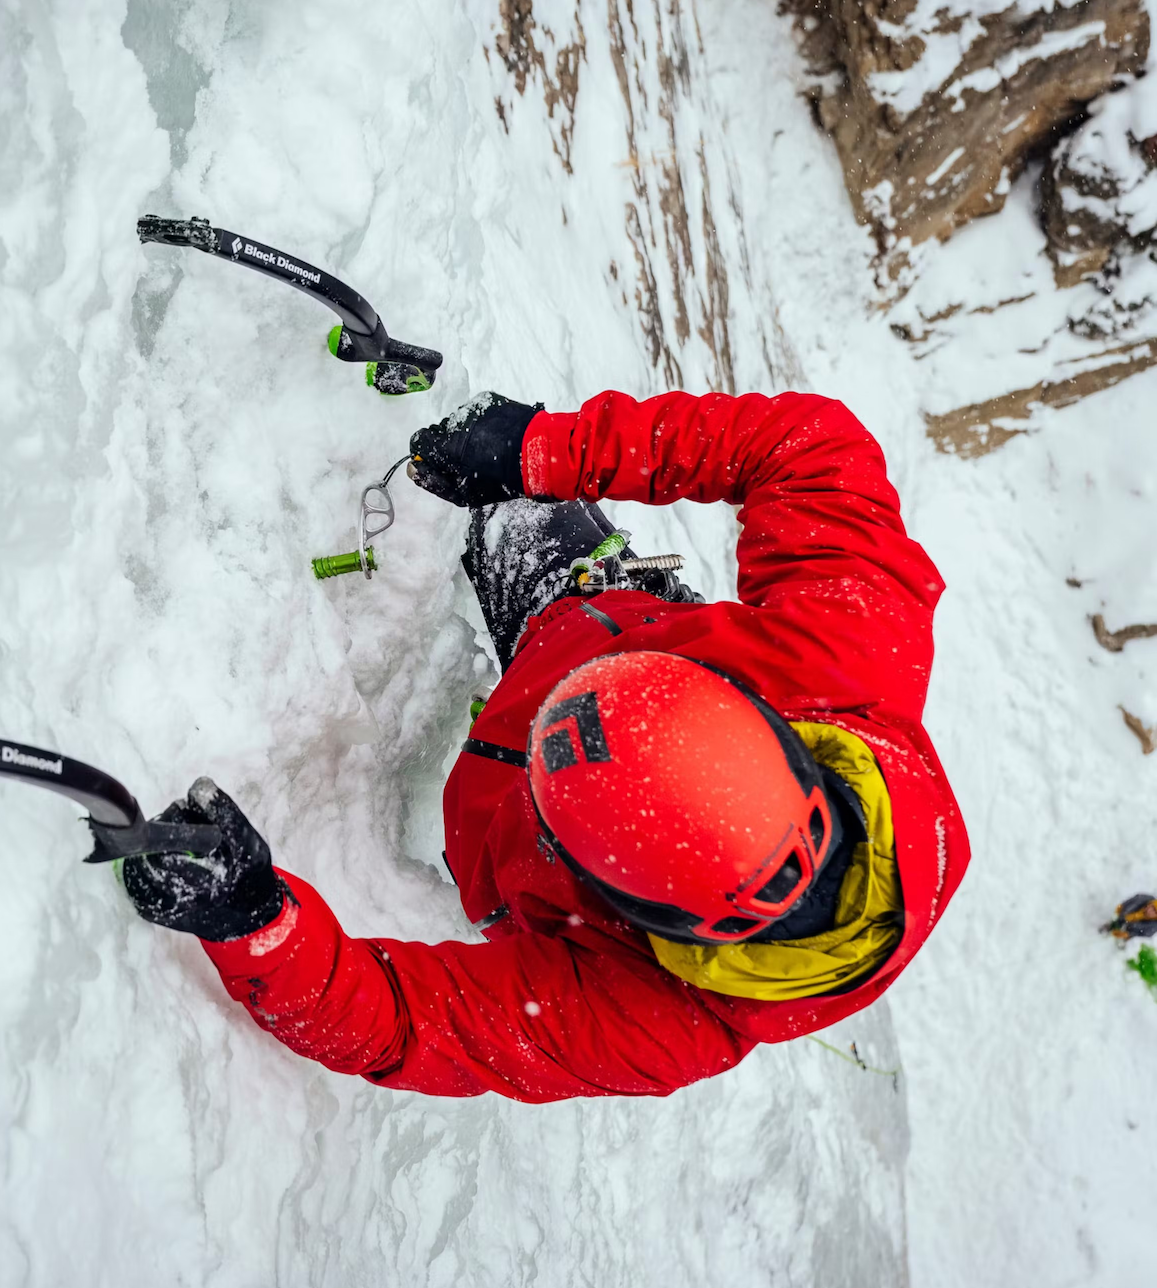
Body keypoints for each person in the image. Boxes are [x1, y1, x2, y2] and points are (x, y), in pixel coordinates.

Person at [118, 390, 969, 1102]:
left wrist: (257, 926)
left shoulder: (651, 1019)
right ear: (771, 725)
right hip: (590, 617)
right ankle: (593, 624)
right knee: (492, 475)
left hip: (501, 816)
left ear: (632, 906)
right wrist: (543, 449)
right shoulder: (847, 656)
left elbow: (406, 1023)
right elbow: (809, 444)